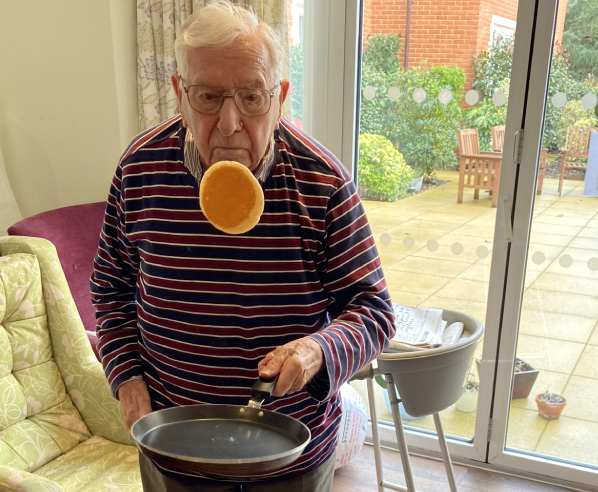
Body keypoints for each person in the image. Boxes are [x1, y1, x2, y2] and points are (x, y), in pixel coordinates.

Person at [90, 1, 395, 490]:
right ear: (178, 95)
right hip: (175, 447)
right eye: (208, 97)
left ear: (280, 99)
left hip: (288, 453)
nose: (230, 123)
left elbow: (374, 310)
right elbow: (110, 290)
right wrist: (126, 378)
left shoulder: (321, 183)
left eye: (252, 97)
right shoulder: (140, 170)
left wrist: (319, 350)